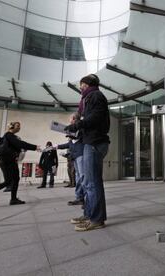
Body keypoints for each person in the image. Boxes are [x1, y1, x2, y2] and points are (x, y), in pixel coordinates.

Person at [65, 73, 110, 232]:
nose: (80, 88)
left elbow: (95, 118)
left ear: (87, 84)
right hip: (90, 141)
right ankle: (90, 214)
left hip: (95, 142)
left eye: (82, 85)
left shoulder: (95, 95)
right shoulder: (88, 98)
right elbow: (89, 118)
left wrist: (77, 125)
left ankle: (96, 219)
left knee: (92, 183)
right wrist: (77, 124)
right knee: (90, 182)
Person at [0, 122, 40, 207]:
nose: (19, 128)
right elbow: (20, 144)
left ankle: (12, 199)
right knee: (9, 181)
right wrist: (35, 147)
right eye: (17, 126)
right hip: (8, 162)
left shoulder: (7, 137)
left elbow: (18, 146)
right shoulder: (9, 135)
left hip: (7, 161)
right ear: (12, 127)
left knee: (14, 179)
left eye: (20, 126)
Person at [56, 112, 85, 206]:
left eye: (70, 119)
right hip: (75, 156)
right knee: (78, 177)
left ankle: (85, 197)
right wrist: (57, 146)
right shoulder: (72, 130)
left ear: (74, 119)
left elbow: (80, 138)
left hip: (81, 154)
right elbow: (70, 144)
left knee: (82, 176)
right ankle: (79, 197)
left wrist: (72, 135)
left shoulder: (80, 127)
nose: (69, 121)